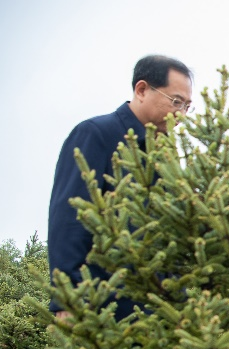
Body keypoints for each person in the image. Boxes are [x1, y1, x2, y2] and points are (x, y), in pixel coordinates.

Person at [48, 54, 194, 320]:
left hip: (158, 312)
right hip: (101, 307)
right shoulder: (95, 134)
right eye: (176, 102)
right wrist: (66, 300)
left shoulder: (166, 153)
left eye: (187, 106)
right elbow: (69, 220)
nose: (181, 115)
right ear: (141, 90)